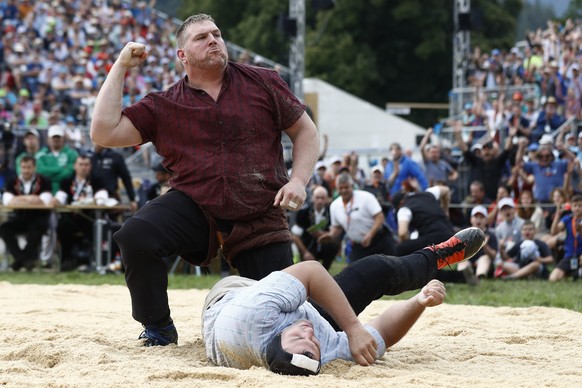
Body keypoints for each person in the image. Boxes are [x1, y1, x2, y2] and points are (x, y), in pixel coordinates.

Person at [89, 14, 319, 345]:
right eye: (201, 37)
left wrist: (298, 180)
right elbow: (104, 131)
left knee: (282, 312)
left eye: (217, 33)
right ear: (182, 55)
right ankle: (158, 327)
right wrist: (121, 66)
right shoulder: (163, 104)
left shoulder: (264, 81)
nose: (213, 40)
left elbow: (305, 131)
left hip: (260, 210)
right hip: (195, 207)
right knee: (135, 235)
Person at [201, 227, 486, 374]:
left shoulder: (255, 314)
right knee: (376, 270)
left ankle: (435, 254)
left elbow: (311, 269)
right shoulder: (321, 350)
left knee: (282, 263)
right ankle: (439, 256)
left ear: (277, 340)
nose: (309, 332)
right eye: (312, 342)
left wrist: (351, 327)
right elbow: (382, 332)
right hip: (281, 313)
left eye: (300, 337)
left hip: (229, 295)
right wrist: (419, 303)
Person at [318, 173, 394, 262]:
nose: (344, 190)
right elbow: (337, 227)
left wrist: (370, 234)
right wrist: (330, 235)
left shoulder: (366, 197)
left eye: (346, 187)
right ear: (336, 188)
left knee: (389, 270)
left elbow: (380, 217)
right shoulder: (334, 206)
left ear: (352, 186)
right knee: (356, 272)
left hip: (380, 240)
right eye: (341, 188)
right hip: (359, 245)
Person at [52, 155, 109, 271]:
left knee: (95, 227)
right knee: (63, 227)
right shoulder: (67, 181)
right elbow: (61, 196)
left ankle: (90, 260)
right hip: (71, 217)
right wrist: (56, 200)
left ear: (90, 167)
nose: (83, 167)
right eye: (81, 164)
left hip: (89, 217)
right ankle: (67, 260)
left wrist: (95, 200)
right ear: (75, 166)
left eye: (86, 165)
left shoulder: (97, 180)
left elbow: (102, 197)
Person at [0, 155, 52, 271]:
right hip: (20, 217)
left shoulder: (44, 181)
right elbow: (8, 201)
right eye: (23, 167)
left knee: (37, 228)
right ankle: (23, 259)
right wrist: (31, 198)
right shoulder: (12, 181)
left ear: (34, 168)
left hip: (38, 217)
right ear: (20, 168)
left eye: (28, 167)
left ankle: (19, 262)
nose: (26, 170)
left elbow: (43, 201)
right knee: (4, 228)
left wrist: (19, 199)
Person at [392, 184, 454, 256]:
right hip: (450, 233)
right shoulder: (428, 193)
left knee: (400, 248)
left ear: (401, 203)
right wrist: (445, 211)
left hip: (435, 240)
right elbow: (446, 190)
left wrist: (407, 241)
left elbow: (402, 233)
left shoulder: (404, 208)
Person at [291, 185, 339, 270]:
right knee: (307, 269)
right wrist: (305, 252)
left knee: (334, 244)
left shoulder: (331, 211)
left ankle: (325, 270)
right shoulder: (303, 213)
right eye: (317, 197)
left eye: (322, 198)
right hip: (308, 245)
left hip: (325, 245)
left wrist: (325, 234)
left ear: (327, 199)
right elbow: (295, 236)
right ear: (312, 198)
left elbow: (336, 232)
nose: (320, 201)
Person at [89, 144, 138, 212]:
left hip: (111, 196)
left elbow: (126, 178)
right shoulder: (91, 157)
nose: (94, 144)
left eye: (96, 141)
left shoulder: (115, 157)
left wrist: (132, 199)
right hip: (92, 197)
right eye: (93, 141)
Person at [35, 124, 79, 194]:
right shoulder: (41, 154)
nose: (56, 139)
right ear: (48, 138)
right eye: (53, 137)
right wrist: (62, 168)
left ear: (63, 138)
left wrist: (50, 172)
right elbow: (40, 171)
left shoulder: (72, 154)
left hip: (67, 191)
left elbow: (70, 172)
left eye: (58, 137)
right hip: (45, 191)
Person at [548, 194, 582, 282]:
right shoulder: (567, 219)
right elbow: (553, 232)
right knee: (553, 279)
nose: (577, 208)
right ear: (571, 207)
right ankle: (571, 273)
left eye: (580, 206)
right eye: (575, 206)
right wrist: (558, 215)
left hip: (581, 255)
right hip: (570, 255)